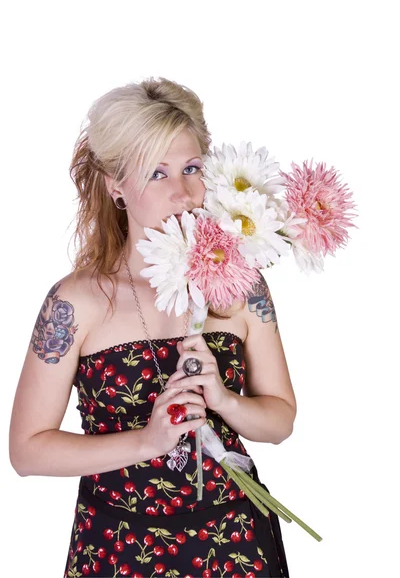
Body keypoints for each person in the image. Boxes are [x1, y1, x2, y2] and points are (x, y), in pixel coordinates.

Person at [9, 76, 296, 577]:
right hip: (120, 549)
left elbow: (280, 421)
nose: (182, 191)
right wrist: (146, 442)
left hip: (233, 544)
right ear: (116, 185)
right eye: (156, 173)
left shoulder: (243, 286)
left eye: (191, 168)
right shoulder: (76, 303)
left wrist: (225, 400)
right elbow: (27, 450)